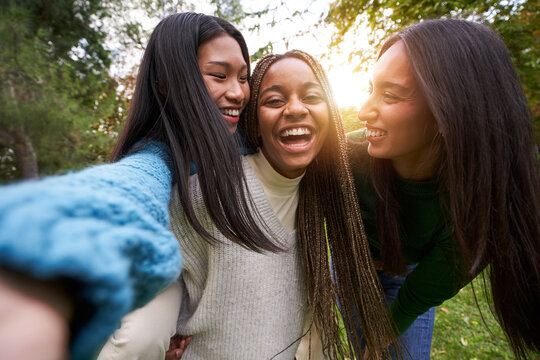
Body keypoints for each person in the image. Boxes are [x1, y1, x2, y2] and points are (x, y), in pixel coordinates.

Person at [0, 12, 275, 360]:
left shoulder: (247, 137)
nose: (237, 92)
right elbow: (128, 188)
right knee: (140, 338)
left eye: (243, 77)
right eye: (218, 75)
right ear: (167, 82)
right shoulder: (155, 157)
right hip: (162, 265)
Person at [164, 49, 399, 360]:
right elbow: (152, 267)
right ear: (254, 124)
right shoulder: (209, 192)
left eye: (312, 97)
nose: (295, 109)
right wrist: (161, 329)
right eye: (274, 101)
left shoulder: (324, 189)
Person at [347, 19, 540, 359]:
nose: (363, 112)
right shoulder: (345, 157)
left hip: (411, 279)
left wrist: (380, 340)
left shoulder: (481, 201)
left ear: (447, 110)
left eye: (390, 95)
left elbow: (420, 292)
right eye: (370, 89)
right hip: (352, 267)